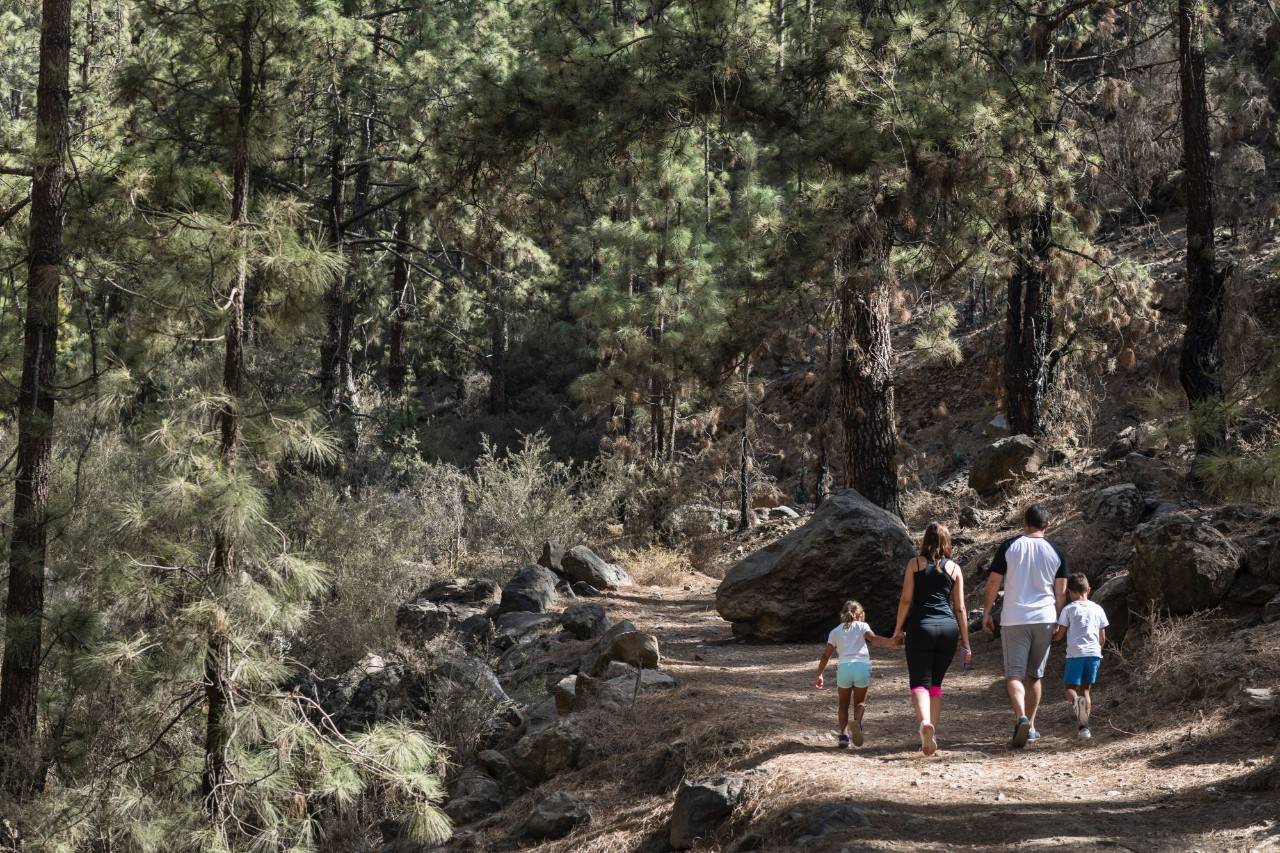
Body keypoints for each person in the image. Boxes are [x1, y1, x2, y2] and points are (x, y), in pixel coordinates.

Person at [982, 504, 1068, 748]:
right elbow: (1060, 593)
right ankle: (1030, 727)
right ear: (1048, 525)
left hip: (1015, 618)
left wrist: (987, 613)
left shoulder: (1010, 547)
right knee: (1034, 675)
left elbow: (993, 583)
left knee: (1014, 675)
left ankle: (1020, 717)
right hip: (1045, 618)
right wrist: (1060, 621)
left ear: (1024, 522)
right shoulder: (1056, 551)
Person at [891, 522, 972, 756]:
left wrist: (898, 629)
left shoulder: (914, 565)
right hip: (948, 629)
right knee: (936, 684)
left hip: (921, 627)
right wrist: (966, 642)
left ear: (925, 541)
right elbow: (960, 608)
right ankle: (931, 735)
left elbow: (906, 600)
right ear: (947, 543)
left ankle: (925, 723)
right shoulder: (955, 569)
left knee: (919, 682)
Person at [814, 600, 898, 748]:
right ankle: (857, 723)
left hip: (845, 668)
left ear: (843, 615)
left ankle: (844, 735)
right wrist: (891, 642)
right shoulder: (862, 626)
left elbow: (826, 655)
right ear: (860, 614)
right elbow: (873, 639)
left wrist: (820, 674)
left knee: (843, 704)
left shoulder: (835, 632)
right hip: (861, 667)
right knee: (859, 702)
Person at [1054, 573, 1108, 739]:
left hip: (1075, 654)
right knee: (1086, 690)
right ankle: (1084, 728)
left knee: (1070, 689)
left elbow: (1060, 634)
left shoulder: (1069, 609)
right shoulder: (1098, 609)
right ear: (1088, 589)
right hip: (1094, 654)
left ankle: (1077, 703)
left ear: (1070, 592)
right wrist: (1097, 650)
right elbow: (1102, 637)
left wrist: (1051, 638)